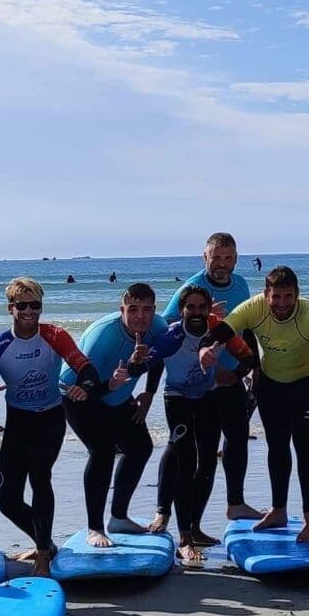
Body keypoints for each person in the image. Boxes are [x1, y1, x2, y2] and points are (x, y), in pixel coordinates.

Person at [219, 265, 309, 543]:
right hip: (271, 384)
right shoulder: (254, 308)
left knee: (305, 445)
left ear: (297, 295)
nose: (282, 303)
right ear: (266, 295)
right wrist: (209, 346)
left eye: (288, 296)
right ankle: (278, 510)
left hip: (308, 383)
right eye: (276, 297)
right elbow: (224, 329)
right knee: (277, 446)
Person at [0, 279, 93, 565]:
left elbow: (86, 368)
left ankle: (41, 554)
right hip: (18, 422)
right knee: (7, 501)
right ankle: (46, 543)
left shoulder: (55, 335)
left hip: (50, 419)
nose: (29, 311)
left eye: (35, 305)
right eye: (22, 305)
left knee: (40, 479)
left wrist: (83, 387)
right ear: (10, 308)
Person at [148, 285, 252, 564]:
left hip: (207, 397)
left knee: (206, 463)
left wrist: (234, 375)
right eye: (190, 308)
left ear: (209, 309)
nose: (196, 313)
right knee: (185, 462)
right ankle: (184, 539)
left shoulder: (218, 328)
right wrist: (141, 383)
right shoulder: (172, 335)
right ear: (181, 311)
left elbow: (249, 356)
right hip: (177, 398)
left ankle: (194, 527)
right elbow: (150, 363)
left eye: (201, 308)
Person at [61, 282, 168, 548]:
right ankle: (94, 528)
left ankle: (118, 517)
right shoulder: (103, 337)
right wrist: (108, 385)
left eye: (146, 310)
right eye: (133, 309)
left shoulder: (158, 327)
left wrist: (149, 393)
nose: (140, 316)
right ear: (122, 310)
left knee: (141, 448)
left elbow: (159, 357)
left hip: (119, 398)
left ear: (154, 311)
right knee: (102, 452)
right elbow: (70, 384)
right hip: (79, 397)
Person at [166, 231, 262, 523]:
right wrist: (208, 318)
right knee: (192, 452)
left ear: (235, 259)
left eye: (227, 258)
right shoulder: (193, 286)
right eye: (216, 257)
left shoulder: (241, 284)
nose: (221, 263)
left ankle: (236, 503)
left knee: (237, 438)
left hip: (232, 377)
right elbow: (169, 327)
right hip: (199, 382)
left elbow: (245, 328)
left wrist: (253, 367)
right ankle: (173, 517)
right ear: (204, 257)